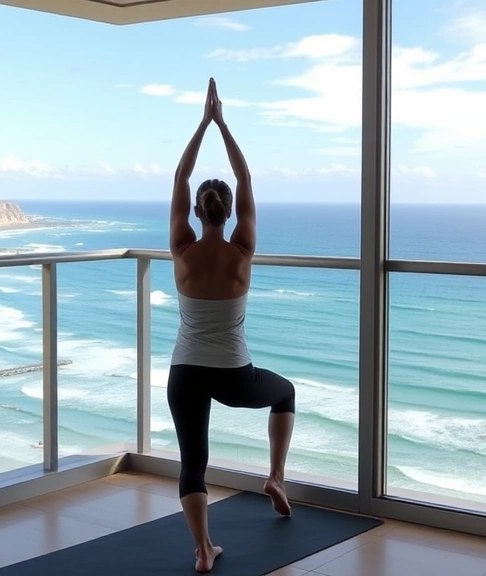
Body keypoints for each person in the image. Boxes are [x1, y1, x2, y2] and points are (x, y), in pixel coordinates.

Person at [167, 77, 297, 574]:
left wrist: (202, 123)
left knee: (192, 462)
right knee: (284, 393)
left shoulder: (182, 250)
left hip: (186, 372)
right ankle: (276, 477)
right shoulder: (243, 251)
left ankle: (203, 552)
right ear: (227, 211)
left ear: (198, 212)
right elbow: (246, 180)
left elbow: (180, 178)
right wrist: (225, 125)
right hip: (234, 374)